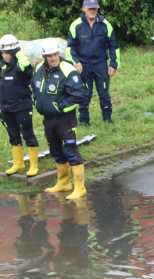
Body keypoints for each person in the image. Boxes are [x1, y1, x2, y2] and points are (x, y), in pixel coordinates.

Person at [33, 40, 88, 200]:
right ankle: (63, 183)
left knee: (70, 150)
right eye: (49, 55)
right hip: (48, 118)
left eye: (55, 54)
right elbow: (34, 87)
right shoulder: (38, 69)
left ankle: (80, 187)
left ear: (59, 54)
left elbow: (80, 94)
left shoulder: (67, 70)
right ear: (44, 56)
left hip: (65, 119)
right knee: (55, 150)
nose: (53, 58)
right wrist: (37, 102)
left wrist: (60, 106)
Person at [67, 0, 119, 125]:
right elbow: (70, 47)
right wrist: (76, 62)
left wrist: (113, 64)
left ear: (98, 8)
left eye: (94, 8)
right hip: (83, 65)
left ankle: (107, 119)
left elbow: (114, 46)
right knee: (85, 94)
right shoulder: (76, 25)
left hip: (101, 64)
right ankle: (84, 121)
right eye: (90, 8)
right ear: (83, 9)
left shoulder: (105, 24)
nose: (92, 11)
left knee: (104, 92)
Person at [0, 34, 40, 177]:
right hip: (6, 108)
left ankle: (34, 165)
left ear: (13, 52)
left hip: (22, 107)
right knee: (13, 135)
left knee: (28, 134)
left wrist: (21, 57)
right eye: (2, 53)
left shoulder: (21, 65)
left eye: (7, 53)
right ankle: (18, 163)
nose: (5, 56)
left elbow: (29, 73)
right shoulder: (3, 67)